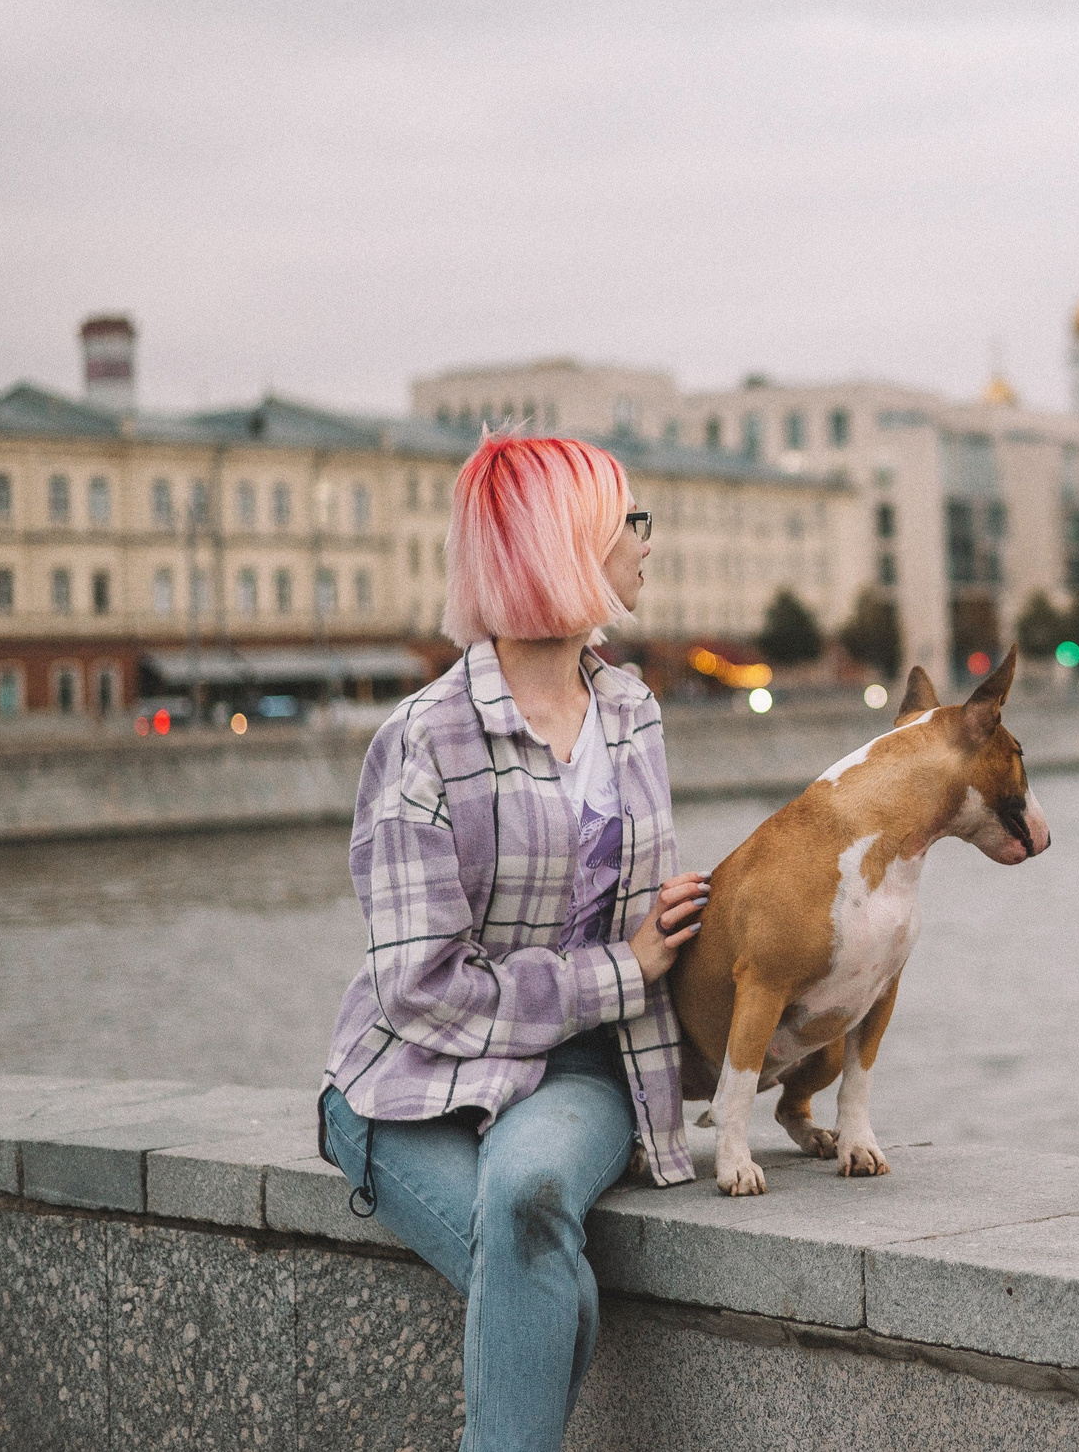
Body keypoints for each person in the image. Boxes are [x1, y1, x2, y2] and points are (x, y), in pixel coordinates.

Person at [319, 432, 710, 1452]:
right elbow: (421, 987)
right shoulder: (425, 737)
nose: (645, 540)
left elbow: (649, 918)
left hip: (575, 1069)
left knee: (532, 1196)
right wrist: (620, 969)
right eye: (631, 519)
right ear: (564, 541)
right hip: (407, 1079)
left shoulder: (631, 709)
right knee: (556, 1291)